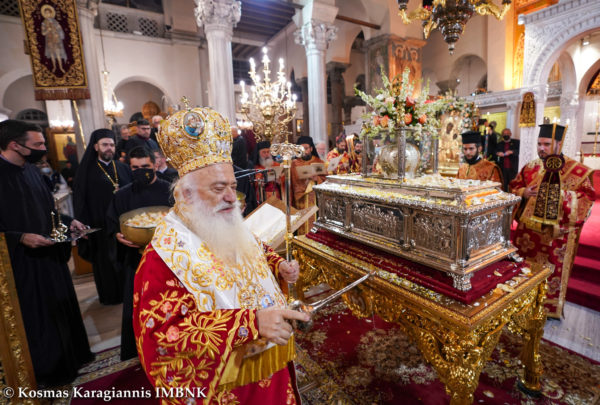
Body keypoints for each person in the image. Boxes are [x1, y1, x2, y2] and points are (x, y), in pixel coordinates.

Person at [133, 106, 309, 404]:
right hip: (226, 386)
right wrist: (250, 324)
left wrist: (278, 265)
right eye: (218, 188)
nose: (231, 197)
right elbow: (162, 338)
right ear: (186, 194)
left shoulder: (223, 220)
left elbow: (255, 249)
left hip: (271, 361)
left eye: (232, 186)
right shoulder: (163, 257)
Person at [0, 120, 93, 386]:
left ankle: (71, 360)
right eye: (38, 144)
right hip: (21, 263)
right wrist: (20, 237)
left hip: (49, 254)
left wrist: (67, 222)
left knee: (60, 308)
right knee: (39, 317)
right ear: (14, 145)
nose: (44, 148)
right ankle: (49, 372)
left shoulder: (31, 170)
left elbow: (47, 210)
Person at [510, 124, 595, 318]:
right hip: (527, 235)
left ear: (559, 143)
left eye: (546, 144)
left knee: (549, 273)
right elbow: (514, 186)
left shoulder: (577, 171)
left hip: (555, 237)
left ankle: (546, 309)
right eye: (539, 143)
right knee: (524, 271)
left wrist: (558, 196)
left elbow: (586, 200)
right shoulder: (530, 167)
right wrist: (523, 192)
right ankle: (521, 303)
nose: (541, 148)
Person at [106, 146, 172, 360]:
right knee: (138, 305)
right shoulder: (122, 195)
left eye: (145, 166)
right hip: (135, 260)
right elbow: (112, 225)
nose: (140, 171)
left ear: (156, 164)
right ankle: (139, 350)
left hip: (168, 259)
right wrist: (117, 236)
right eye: (135, 168)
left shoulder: (171, 190)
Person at [73, 128, 132, 304]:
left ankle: (129, 295)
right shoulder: (86, 171)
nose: (109, 148)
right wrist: (83, 224)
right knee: (104, 262)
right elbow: (80, 199)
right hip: (99, 225)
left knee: (125, 260)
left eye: (112, 145)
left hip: (123, 225)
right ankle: (110, 297)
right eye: (105, 144)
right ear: (95, 147)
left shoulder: (123, 168)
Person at [291, 135, 327, 234]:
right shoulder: (294, 163)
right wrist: (305, 180)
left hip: (316, 199)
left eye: (306, 148)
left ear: (311, 148)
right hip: (301, 199)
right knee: (302, 222)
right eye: (301, 149)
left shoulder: (318, 161)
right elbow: (293, 182)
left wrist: (317, 179)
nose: (304, 151)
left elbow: (325, 179)